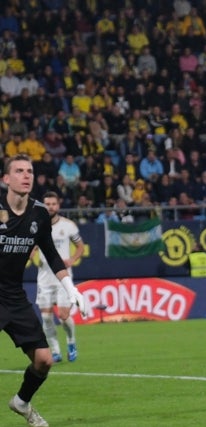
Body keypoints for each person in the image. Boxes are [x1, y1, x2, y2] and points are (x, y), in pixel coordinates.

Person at [1, 154, 90, 427]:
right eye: (19, 171)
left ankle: (22, 402)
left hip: (13, 296)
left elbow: (51, 255)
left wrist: (71, 288)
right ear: (6, 179)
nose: (26, 175)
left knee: (44, 360)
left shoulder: (39, 212)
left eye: (29, 170)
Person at [35, 192, 86, 364]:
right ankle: (55, 351)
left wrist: (72, 259)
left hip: (63, 277)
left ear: (58, 205)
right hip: (44, 278)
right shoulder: (36, 225)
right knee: (47, 317)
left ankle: (71, 343)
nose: (50, 207)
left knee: (64, 315)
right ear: (43, 205)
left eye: (53, 204)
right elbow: (30, 247)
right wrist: (32, 257)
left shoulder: (69, 226)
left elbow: (80, 246)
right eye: (47, 204)